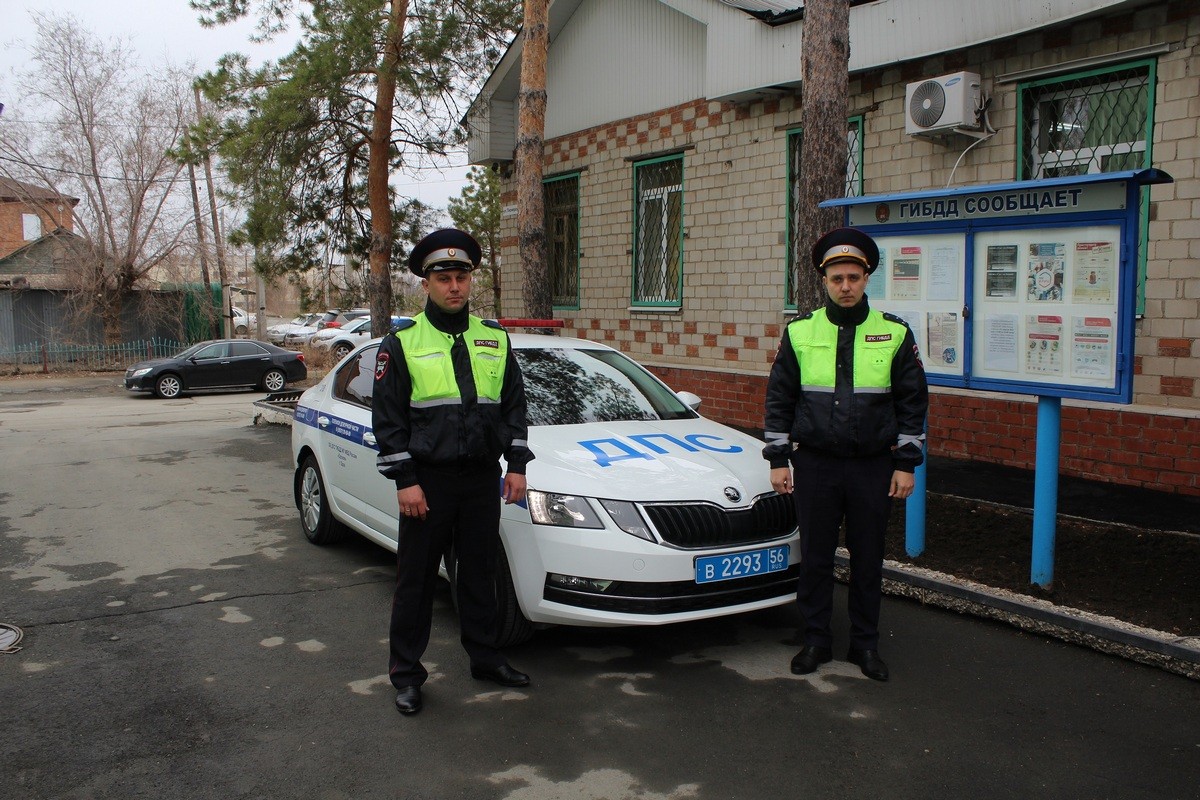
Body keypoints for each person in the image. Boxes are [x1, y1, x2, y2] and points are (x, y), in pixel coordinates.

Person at [372, 228, 535, 715]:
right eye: (443, 277)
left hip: (481, 480)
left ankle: (485, 658)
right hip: (428, 482)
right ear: (426, 284)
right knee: (417, 582)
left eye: (461, 276)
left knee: (479, 577)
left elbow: (514, 407)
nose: (454, 286)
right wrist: (406, 480)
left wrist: (518, 465)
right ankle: (406, 675)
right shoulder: (402, 341)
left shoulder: (494, 338)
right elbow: (388, 419)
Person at [763, 226, 928, 682]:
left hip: (872, 466)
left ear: (867, 277)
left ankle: (865, 645)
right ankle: (815, 640)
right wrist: (778, 459)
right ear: (825, 281)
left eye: (854, 277)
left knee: (868, 559)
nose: (846, 286)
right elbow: (780, 398)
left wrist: (905, 464)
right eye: (837, 278)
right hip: (815, 464)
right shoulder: (800, 332)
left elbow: (912, 403)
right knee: (815, 558)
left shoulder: (893, 333)